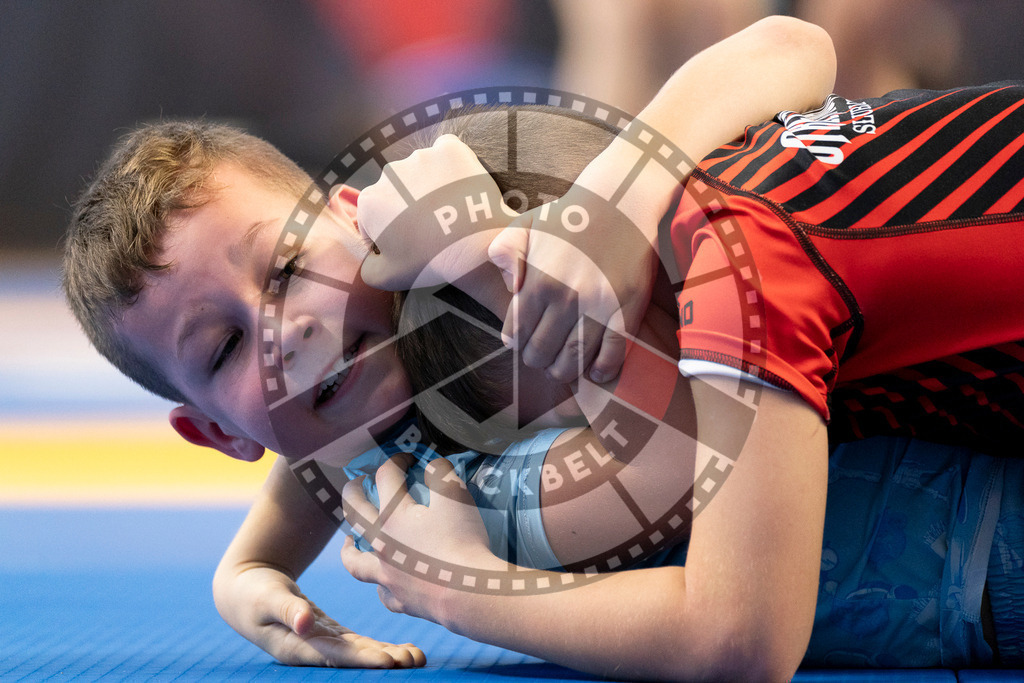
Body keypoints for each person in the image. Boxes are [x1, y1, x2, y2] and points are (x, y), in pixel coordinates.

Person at [60, 15, 839, 672]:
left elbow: (792, 44)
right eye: (226, 349)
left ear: (356, 217)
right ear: (220, 431)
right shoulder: (352, 425)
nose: (285, 330)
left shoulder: (478, 251)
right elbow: (315, 465)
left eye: (291, 266)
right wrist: (243, 577)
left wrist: (461, 589)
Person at [342, 82, 1024, 679]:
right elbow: (791, 40)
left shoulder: (744, 280)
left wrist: (462, 591)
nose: (604, 424)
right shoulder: (727, 157)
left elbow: (742, 639)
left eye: (586, 398)